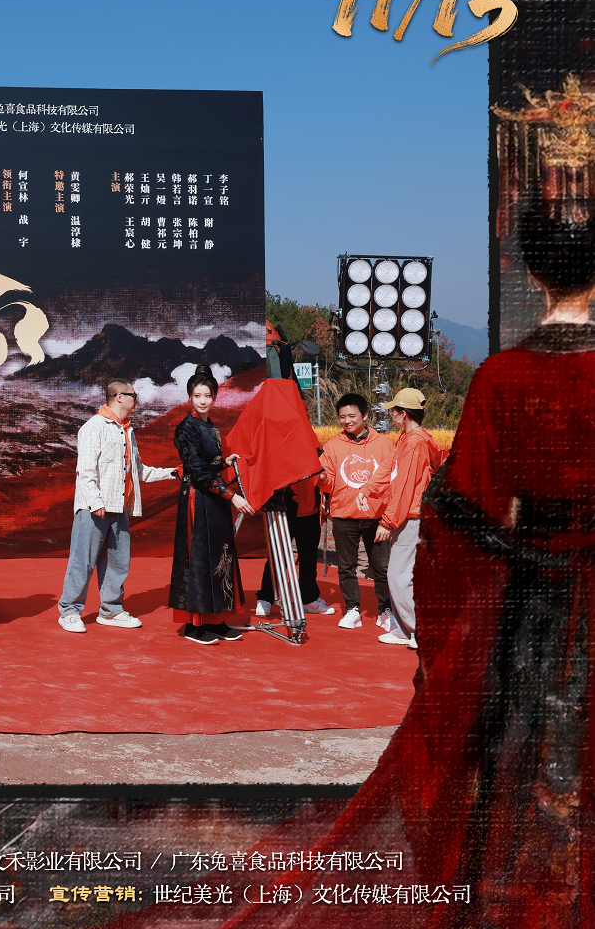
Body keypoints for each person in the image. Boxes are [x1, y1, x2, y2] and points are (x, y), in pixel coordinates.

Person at [220, 207, 595, 929]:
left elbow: (462, 514)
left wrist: (458, 613)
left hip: (532, 603)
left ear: (535, 275)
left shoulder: (504, 376)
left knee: (512, 749)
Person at [56, 380, 176, 632]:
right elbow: (85, 470)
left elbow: (137, 471)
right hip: (93, 508)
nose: (137, 399)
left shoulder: (127, 430)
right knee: (83, 561)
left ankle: (111, 611)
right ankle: (69, 611)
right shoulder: (94, 427)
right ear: (119, 396)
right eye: (134, 395)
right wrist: (95, 501)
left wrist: (171, 473)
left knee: (117, 562)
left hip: (119, 507)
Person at [168, 364, 254, 645]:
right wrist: (233, 496)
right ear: (189, 397)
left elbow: (210, 464)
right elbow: (198, 471)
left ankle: (218, 619)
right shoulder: (186, 428)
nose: (203, 400)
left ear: (215, 396)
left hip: (215, 497)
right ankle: (194, 626)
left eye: (207, 395)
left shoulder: (211, 426)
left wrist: (225, 462)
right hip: (198, 497)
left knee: (221, 556)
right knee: (199, 558)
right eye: (197, 396)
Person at [318, 392, 395, 630]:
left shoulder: (384, 444)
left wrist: (388, 518)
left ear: (365, 415)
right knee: (346, 568)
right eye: (342, 417)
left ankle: (385, 611)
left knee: (382, 568)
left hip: (376, 517)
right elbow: (329, 483)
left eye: (352, 416)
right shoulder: (332, 446)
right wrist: (322, 478)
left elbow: (391, 480)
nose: (347, 421)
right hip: (344, 515)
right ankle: (352, 609)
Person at [374, 387, 443, 649]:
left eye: (394, 410)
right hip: (410, 514)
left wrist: (387, 521)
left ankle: (418, 629)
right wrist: (369, 490)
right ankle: (407, 629)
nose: (391, 414)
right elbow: (391, 470)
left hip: (411, 516)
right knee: (405, 573)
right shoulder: (410, 438)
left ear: (403, 413)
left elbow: (405, 485)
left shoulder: (414, 442)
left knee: (398, 574)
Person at [254, 473, 333, 618]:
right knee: (278, 555)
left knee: (309, 558)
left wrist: (323, 479)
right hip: (284, 509)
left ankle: (308, 599)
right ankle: (265, 597)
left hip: (311, 512)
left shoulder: (320, 458)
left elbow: (328, 481)